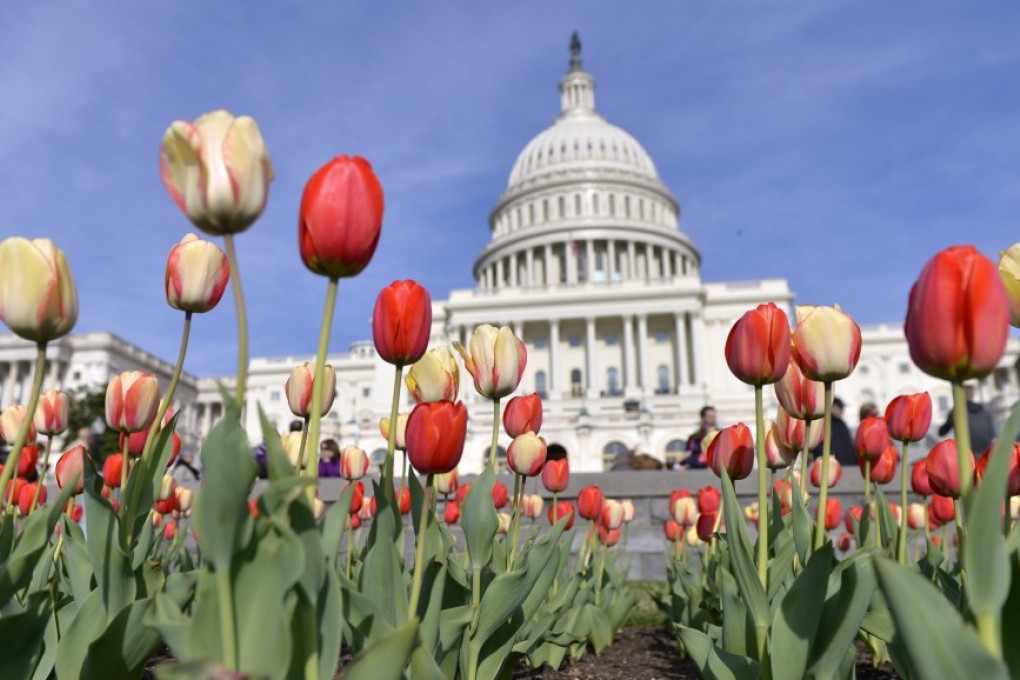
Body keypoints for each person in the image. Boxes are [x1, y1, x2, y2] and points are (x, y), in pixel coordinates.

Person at [937, 385, 996, 455]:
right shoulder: (984, 411)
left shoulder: (957, 411)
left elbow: (942, 432)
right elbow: (993, 434)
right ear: (973, 394)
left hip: (967, 456)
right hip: (986, 454)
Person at [813, 397, 855, 465]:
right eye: (839, 407)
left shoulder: (842, 424)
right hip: (830, 464)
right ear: (832, 407)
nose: (842, 410)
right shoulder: (824, 423)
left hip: (848, 465)